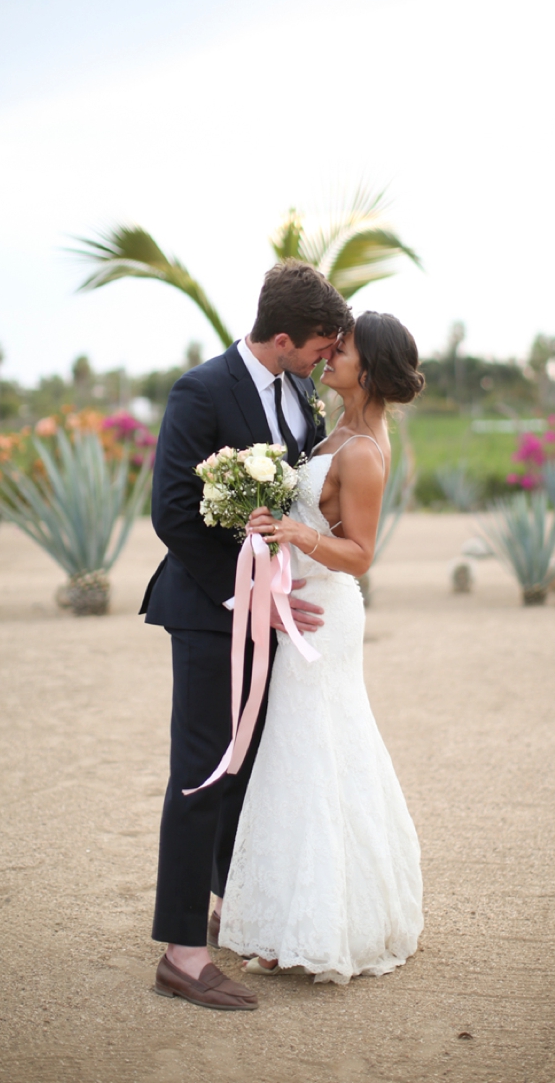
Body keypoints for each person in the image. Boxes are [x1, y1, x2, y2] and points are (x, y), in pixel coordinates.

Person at [142, 260, 353, 1011]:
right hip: (209, 612)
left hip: (278, 615)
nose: (328, 361)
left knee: (251, 774)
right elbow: (172, 512)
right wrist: (252, 594)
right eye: (322, 348)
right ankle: (182, 954)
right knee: (203, 774)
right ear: (285, 338)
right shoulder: (201, 391)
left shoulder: (301, 397)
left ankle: (235, 908)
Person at [219, 311, 425, 983]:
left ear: (369, 370)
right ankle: (290, 917)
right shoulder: (335, 427)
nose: (331, 355)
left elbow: (360, 554)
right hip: (297, 607)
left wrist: (295, 535)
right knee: (302, 754)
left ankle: (323, 921)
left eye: (346, 350)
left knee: (314, 752)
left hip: (325, 617)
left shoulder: (363, 451)